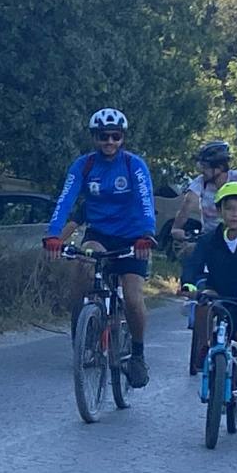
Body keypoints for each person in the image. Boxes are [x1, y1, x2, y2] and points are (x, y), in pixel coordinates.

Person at [42, 108, 157, 387]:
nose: (109, 142)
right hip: (100, 234)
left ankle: (138, 354)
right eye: (103, 136)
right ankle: (83, 334)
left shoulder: (133, 165)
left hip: (132, 237)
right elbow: (65, 200)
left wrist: (147, 234)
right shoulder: (84, 165)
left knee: (133, 297)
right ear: (94, 138)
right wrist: (53, 235)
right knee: (82, 270)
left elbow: (146, 201)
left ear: (122, 138)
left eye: (115, 136)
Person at [180, 182, 237, 434]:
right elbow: (194, 263)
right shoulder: (209, 239)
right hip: (219, 293)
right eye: (229, 208)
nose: (235, 214)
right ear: (220, 210)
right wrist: (188, 283)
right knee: (202, 304)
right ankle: (204, 346)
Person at [172, 141, 237, 237]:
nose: (202, 171)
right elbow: (188, 203)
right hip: (210, 236)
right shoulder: (201, 181)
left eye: (205, 167)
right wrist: (176, 228)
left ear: (220, 167)